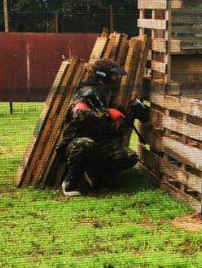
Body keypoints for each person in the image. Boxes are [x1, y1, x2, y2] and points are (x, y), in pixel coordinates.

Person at [59, 59, 151, 197]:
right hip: (75, 144)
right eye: (113, 77)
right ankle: (71, 182)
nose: (116, 80)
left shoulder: (110, 95)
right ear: (103, 76)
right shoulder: (86, 92)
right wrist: (108, 113)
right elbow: (80, 113)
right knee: (84, 144)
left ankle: (96, 176)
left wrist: (136, 104)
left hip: (101, 144)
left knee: (129, 157)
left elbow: (145, 116)